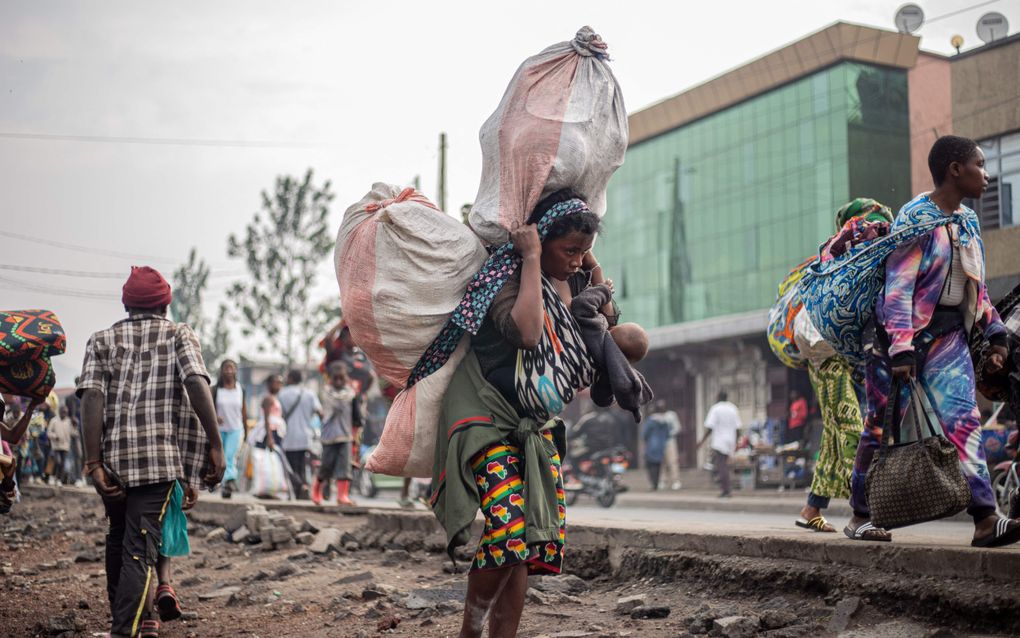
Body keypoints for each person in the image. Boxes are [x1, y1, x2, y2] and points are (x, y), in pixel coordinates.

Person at [431, 190, 607, 638]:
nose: (575, 261)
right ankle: (470, 632)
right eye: (569, 250)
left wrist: (594, 271)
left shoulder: (577, 282)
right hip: (484, 418)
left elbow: (610, 322)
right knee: (508, 528)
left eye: (582, 252)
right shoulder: (503, 280)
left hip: (535, 426)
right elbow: (529, 333)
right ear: (540, 241)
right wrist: (529, 259)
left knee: (526, 541)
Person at [846, 136, 1019, 546]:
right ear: (955, 169)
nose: (987, 174)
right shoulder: (917, 218)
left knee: (964, 419)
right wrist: (901, 347)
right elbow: (898, 289)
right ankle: (860, 515)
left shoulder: (969, 222)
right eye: (980, 163)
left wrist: (994, 334)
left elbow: (975, 289)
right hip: (895, 336)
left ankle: (984, 518)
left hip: (947, 336)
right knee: (879, 424)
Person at [77, 266, 225, 638]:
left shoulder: (100, 340)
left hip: (112, 461)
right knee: (139, 548)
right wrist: (216, 444)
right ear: (165, 304)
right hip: (157, 462)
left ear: (126, 304)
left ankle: (133, 620)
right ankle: (124, 629)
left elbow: (91, 396)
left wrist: (93, 462)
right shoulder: (178, 334)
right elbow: (195, 381)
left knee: (118, 536)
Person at [792, 199, 890, 533]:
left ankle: (811, 508)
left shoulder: (860, 259)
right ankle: (863, 513)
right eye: (870, 222)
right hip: (828, 361)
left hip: (848, 361)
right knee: (851, 430)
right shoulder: (838, 260)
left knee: (836, 435)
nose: (876, 227)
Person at [313, 361, 361, 506]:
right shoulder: (326, 392)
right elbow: (334, 407)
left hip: (345, 435)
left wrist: (356, 430)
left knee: (345, 466)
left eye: (342, 378)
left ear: (346, 377)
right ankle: (316, 490)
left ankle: (342, 495)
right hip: (329, 436)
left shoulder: (351, 394)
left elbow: (356, 415)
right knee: (326, 466)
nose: (339, 381)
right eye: (336, 378)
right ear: (330, 378)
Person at [278, 369, 322, 500]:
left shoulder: (282, 394)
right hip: (305, 436)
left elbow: (278, 414)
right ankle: (301, 490)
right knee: (302, 466)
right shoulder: (309, 394)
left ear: (291, 378)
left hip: (288, 437)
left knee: (291, 467)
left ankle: (301, 487)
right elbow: (320, 412)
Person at [212, 359, 248, 499]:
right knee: (219, 457)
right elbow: (209, 407)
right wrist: (214, 417)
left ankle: (229, 481)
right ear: (221, 371)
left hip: (235, 428)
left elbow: (244, 410)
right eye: (226, 368)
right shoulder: (216, 389)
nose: (229, 371)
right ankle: (224, 482)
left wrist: (246, 430)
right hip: (219, 429)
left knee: (229, 455)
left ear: (236, 371)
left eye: (231, 368)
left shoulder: (240, 389)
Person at [698, 391, 741, 498]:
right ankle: (725, 488)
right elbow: (738, 428)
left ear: (718, 397)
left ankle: (726, 490)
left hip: (719, 441)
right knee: (724, 465)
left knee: (721, 466)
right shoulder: (733, 408)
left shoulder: (715, 409)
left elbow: (709, 427)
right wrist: (737, 442)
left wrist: (702, 441)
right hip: (730, 440)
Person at [648, 400, 683, 490]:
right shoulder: (655, 417)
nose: (661, 408)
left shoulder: (671, 415)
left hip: (670, 441)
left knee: (672, 461)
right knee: (661, 462)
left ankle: (676, 481)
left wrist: (668, 434)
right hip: (659, 443)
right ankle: (663, 481)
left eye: (663, 406)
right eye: (659, 407)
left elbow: (677, 428)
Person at [642, 412, 670, 490]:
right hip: (661, 446)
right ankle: (656, 483)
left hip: (651, 445)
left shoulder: (650, 421)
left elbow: (644, 434)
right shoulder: (664, 422)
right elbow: (668, 434)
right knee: (658, 465)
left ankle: (653, 483)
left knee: (650, 465)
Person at [46, 406, 73, 484]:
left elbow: (72, 433)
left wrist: (75, 427)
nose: (64, 414)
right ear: (60, 411)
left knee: (62, 464)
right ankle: (51, 476)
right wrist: (55, 436)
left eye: (66, 412)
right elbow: (48, 432)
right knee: (57, 461)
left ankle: (58, 479)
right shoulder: (54, 420)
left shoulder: (69, 422)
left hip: (65, 446)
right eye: (63, 412)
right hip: (55, 446)